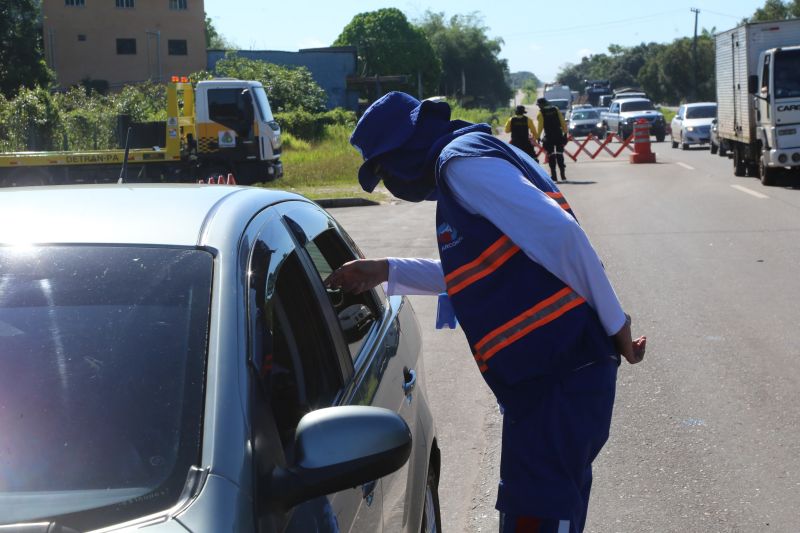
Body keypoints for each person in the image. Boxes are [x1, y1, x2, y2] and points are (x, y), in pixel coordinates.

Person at [325, 91, 646, 533]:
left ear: (406, 148)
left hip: (557, 374)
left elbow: (563, 237)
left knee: (538, 519)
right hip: (551, 376)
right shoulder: (468, 160)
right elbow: (474, 268)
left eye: (383, 170)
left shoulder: (462, 164)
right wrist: (384, 271)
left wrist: (617, 324)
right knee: (548, 514)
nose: (389, 183)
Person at [536, 97, 568, 182]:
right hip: (558, 135)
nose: (539, 107)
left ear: (541, 105)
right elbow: (562, 121)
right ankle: (563, 176)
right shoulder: (556, 109)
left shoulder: (541, 113)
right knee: (560, 154)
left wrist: (538, 137)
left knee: (551, 156)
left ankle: (554, 177)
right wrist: (565, 133)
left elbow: (540, 127)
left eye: (539, 105)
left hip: (549, 136)